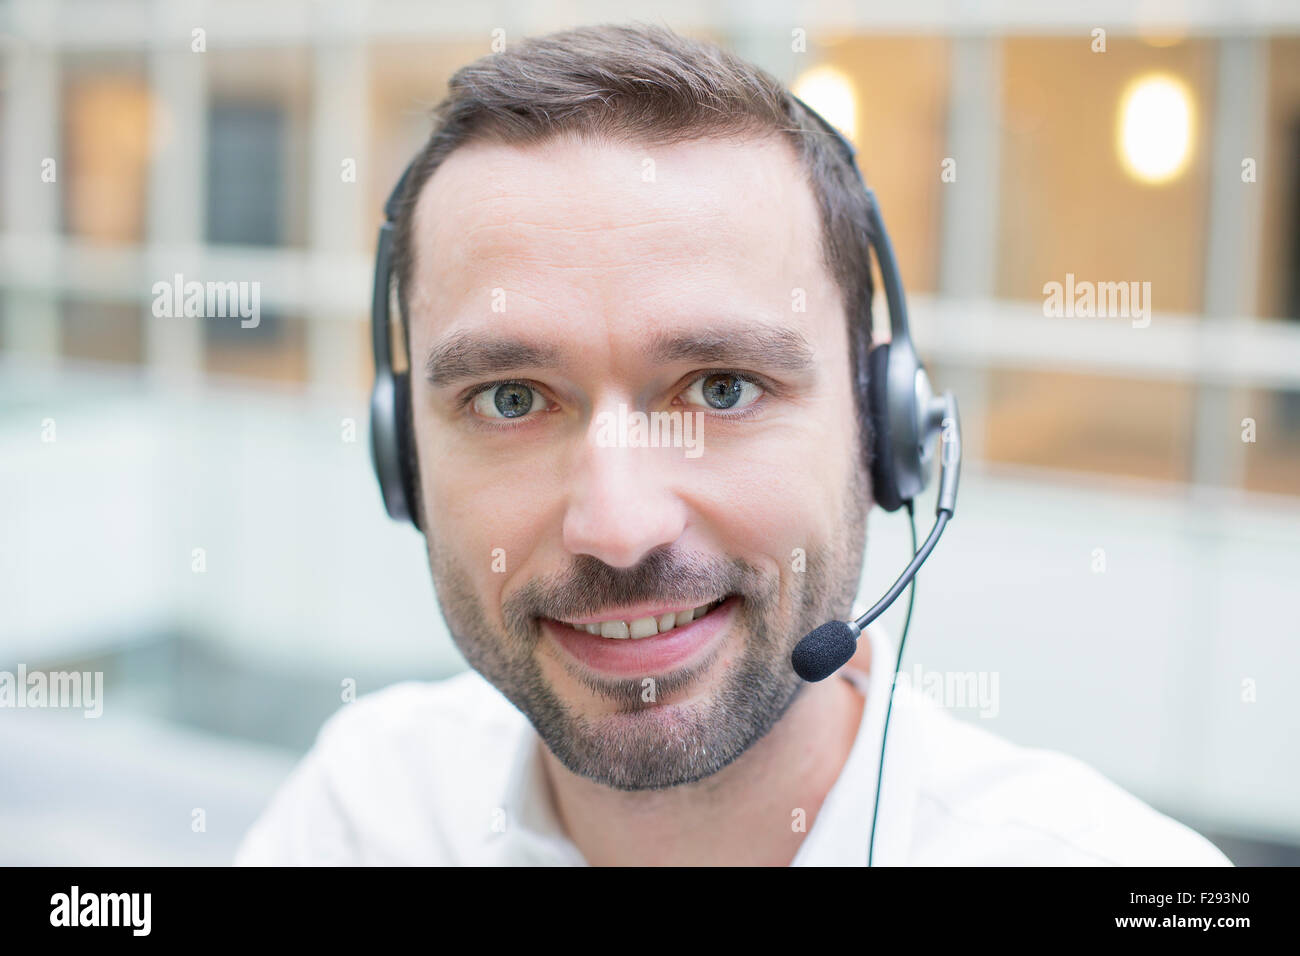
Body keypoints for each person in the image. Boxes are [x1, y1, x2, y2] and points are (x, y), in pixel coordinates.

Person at [235, 23, 1230, 866]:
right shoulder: (366, 811)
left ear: (882, 428)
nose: (617, 528)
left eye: (722, 388)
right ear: (400, 458)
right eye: (509, 397)